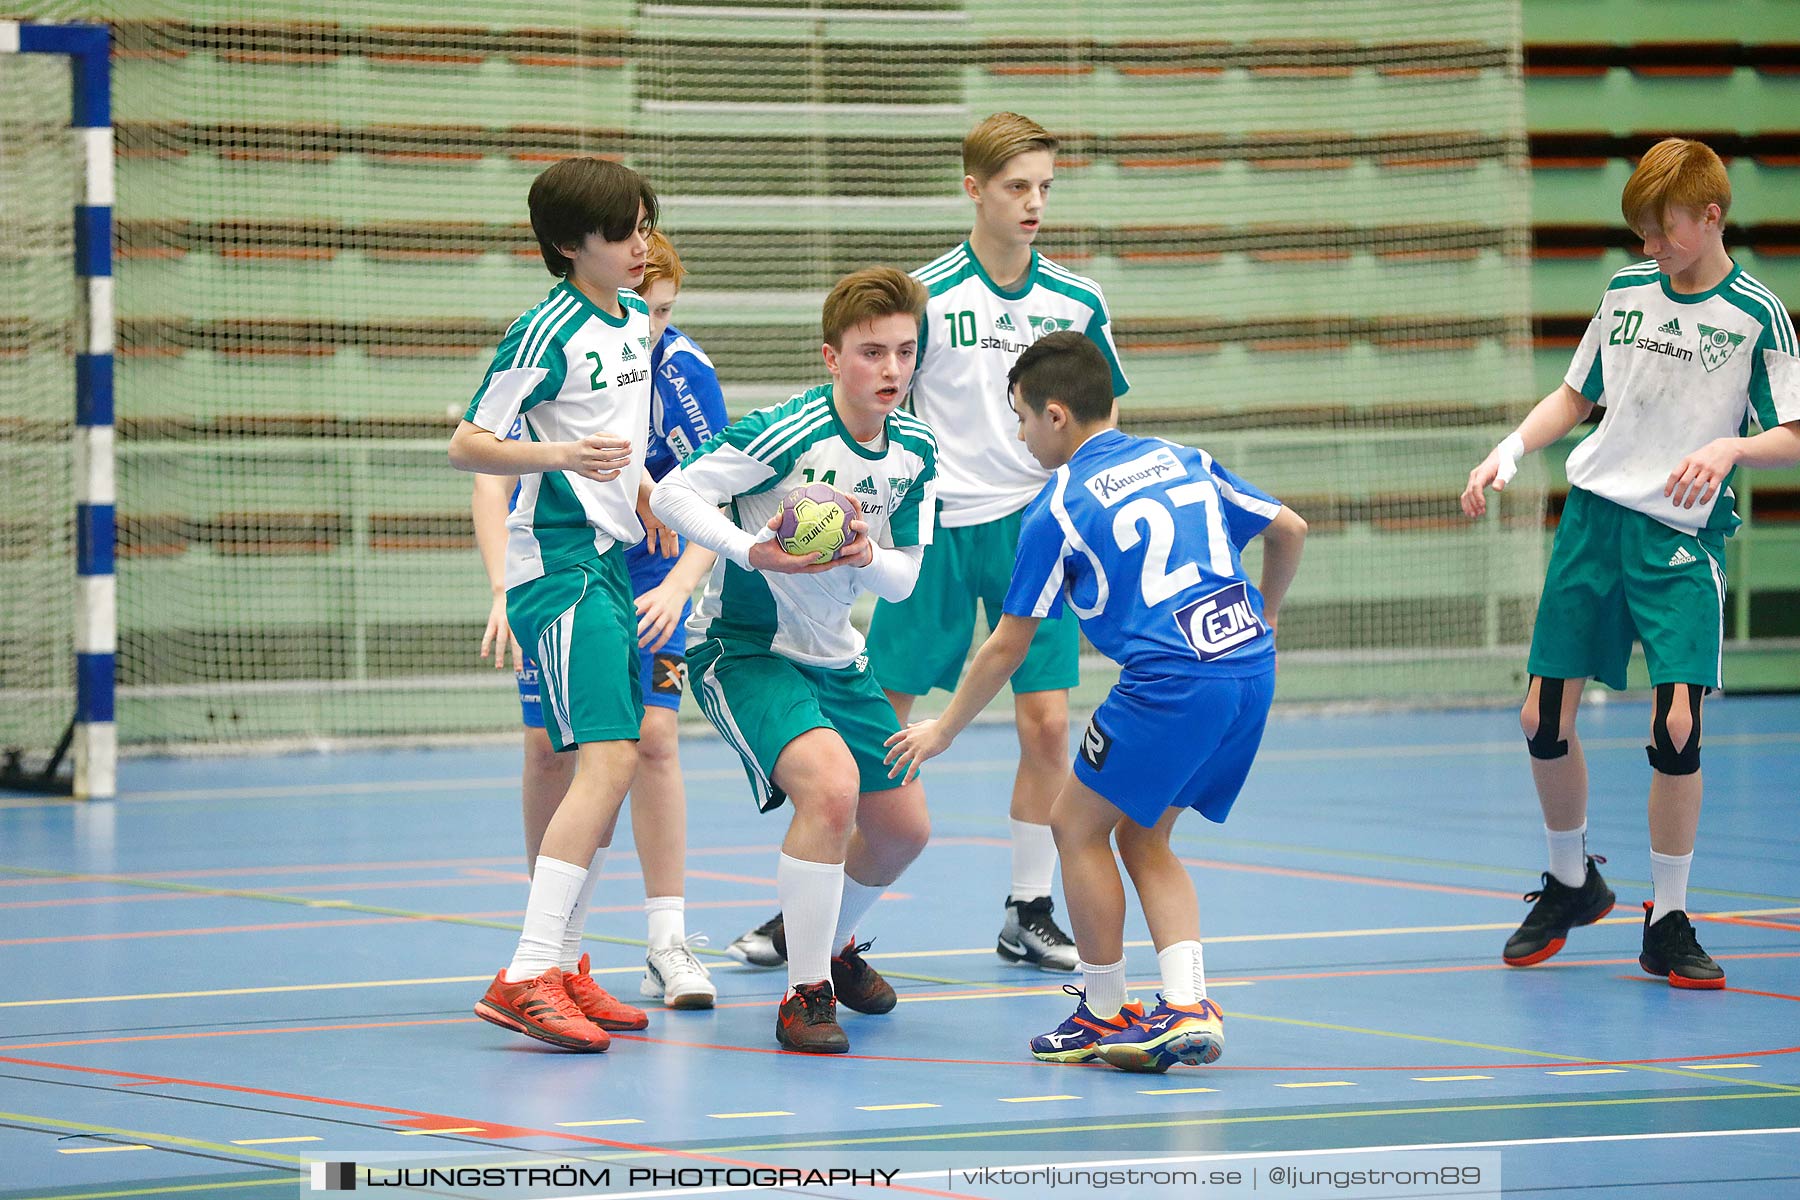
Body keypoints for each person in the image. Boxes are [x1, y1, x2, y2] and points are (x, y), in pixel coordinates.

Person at [727, 111, 1128, 973]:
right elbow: (885, 405)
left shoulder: (1077, 299)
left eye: (1045, 187)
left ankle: (1028, 906)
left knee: (1050, 724)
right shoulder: (928, 295)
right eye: (1017, 186)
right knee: (883, 720)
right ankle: (809, 910)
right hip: (939, 526)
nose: (1033, 203)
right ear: (973, 189)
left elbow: (1102, 418)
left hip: (1037, 526)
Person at [886, 331, 1306, 1073]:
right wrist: (1267, 613)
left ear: (1056, 416)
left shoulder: (1060, 507)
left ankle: (1103, 1010)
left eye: (1020, 418)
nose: (1018, 434)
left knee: (1073, 825)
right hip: (1249, 669)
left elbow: (1008, 644)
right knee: (1144, 837)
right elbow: (1290, 529)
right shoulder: (1185, 459)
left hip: (1172, 680)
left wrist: (944, 730)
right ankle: (1186, 1002)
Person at [1462, 137, 1798, 989]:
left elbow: (1792, 435)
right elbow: (1577, 395)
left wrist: (1728, 448)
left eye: (1665, 231)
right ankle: (1572, 882)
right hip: (1594, 522)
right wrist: (1508, 450)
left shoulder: (1757, 313)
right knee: (1542, 717)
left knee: (1676, 722)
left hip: (1678, 537)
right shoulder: (1625, 293)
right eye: (1643, 233)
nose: (1651, 247)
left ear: (1711, 216)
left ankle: (1671, 916)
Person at [650, 267, 938, 1053]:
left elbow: (906, 578)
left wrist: (864, 549)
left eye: (904, 353)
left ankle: (831, 947)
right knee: (832, 788)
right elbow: (673, 494)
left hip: (840, 660)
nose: (890, 369)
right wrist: (753, 552)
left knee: (905, 830)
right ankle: (802, 994)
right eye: (871, 351)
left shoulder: (915, 450)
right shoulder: (787, 430)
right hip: (747, 651)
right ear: (831, 357)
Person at [471, 231, 725, 1011]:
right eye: (643, 309)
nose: (650, 324)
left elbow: (714, 495)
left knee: (647, 741)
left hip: (651, 568)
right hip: (564, 557)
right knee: (553, 747)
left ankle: (665, 942)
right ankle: (553, 951)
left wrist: (682, 584)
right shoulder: (570, 340)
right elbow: (487, 468)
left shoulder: (680, 371)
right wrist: (500, 589)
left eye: (664, 313)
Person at [449, 156, 657, 1052]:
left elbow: (626, 439)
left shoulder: (637, 318)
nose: (643, 243)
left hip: (609, 558)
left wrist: (645, 494)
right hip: (557, 564)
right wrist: (562, 460)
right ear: (571, 246)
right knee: (610, 760)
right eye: (624, 231)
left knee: (613, 760)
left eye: (646, 224)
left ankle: (567, 962)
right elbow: (468, 446)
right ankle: (530, 969)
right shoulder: (544, 331)